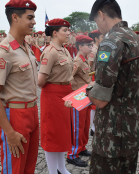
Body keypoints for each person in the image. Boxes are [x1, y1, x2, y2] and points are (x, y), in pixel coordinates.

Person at [87, 0, 139, 174]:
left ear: (102, 15)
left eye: (95, 21)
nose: (97, 27)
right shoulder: (137, 39)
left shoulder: (111, 42)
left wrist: (87, 92)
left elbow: (100, 99)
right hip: (133, 127)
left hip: (112, 134)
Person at [0, 0, 39, 174]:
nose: (34, 22)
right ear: (15, 17)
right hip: (15, 117)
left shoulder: (25, 47)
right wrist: (9, 132)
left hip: (31, 112)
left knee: (28, 168)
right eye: (30, 17)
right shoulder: (4, 52)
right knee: (14, 169)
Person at [38, 18, 73, 174]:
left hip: (65, 95)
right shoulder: (50, 52)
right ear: (54, 33)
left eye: (68, 30)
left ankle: (61, 168)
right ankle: (53, 171)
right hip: (53, 96)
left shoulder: (64, 50)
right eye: (64, 30)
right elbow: (40, 81)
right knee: (52, 134)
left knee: (62, 133)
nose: (68, 33)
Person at [65, 35, 93, 167]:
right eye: (88, 45)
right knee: (77, 127)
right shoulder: (77, 61)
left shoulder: (84, 60)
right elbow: (68, 78)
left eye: (91, 45)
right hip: (78, 98)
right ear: (80, 47)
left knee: (85, 125)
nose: (90, 47)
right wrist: (72, 95)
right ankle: (72, 154)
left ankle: (81, 147)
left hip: (85, 96)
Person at [87, 29, 104, 136]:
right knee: (93, 105)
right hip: (93, 77)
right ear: (96, 38)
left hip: (98, 76)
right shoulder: (93, 50)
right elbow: (88, 65)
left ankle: (96, 126)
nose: (104, 39)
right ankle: (93, 128)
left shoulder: (100, 48)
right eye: (102, 37)